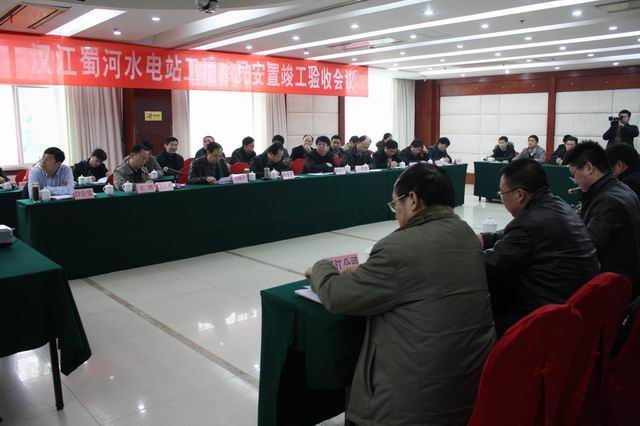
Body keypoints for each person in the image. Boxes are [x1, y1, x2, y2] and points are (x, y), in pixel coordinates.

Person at [306, 163, 495, 425]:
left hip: (416, 401)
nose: (396, 213)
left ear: (413, 200)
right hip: (472, 387)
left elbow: (337, 296)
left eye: (396, 204)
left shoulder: (397, 247)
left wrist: (322, 267)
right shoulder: (467, 235)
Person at [480, 158, 600, 335]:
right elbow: (519, 236)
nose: (502, 198)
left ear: (519, 194)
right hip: (577, 308)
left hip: (546, 320)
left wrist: (460, 252)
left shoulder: (528, 224)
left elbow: (490, 264)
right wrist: (486, 238)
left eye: (502, 193)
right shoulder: (559, 205)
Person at [564, 141, 640, 296]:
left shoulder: (608, 201)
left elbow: (587, 246)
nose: (575, 180)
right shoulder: (621, 189)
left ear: (589, 168)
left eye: (574, 174)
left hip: (613, 287)